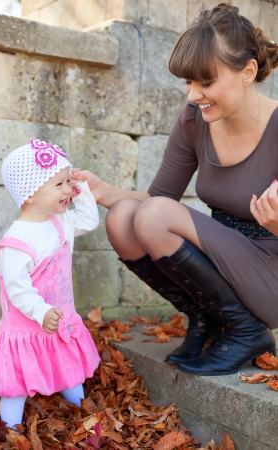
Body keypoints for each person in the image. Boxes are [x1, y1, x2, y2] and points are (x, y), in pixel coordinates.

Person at [72, 3, 278, 376]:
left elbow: (160, 213)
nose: (192, 95)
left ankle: (249, 332)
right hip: (223, 257)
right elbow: (157, 201)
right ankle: (208, 320)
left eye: (206, 82)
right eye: (187, 82)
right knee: (122, 218)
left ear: (248, 72)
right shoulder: (193, 120)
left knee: (151, 216)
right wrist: (102, 191)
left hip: (270, 273)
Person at [0, 140, 100, 428]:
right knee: (18, 382)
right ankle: (10, 428)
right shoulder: (17, 242)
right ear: (29, 194)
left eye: (67, 182)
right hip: (28, 326)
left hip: (59, 318)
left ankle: (79, 408)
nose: (67, 190)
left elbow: (88, 220)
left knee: (69, 368)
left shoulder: (60, 222)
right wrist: (40, 311)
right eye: (59, 184)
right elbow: (17, 289)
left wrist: (82, 188)